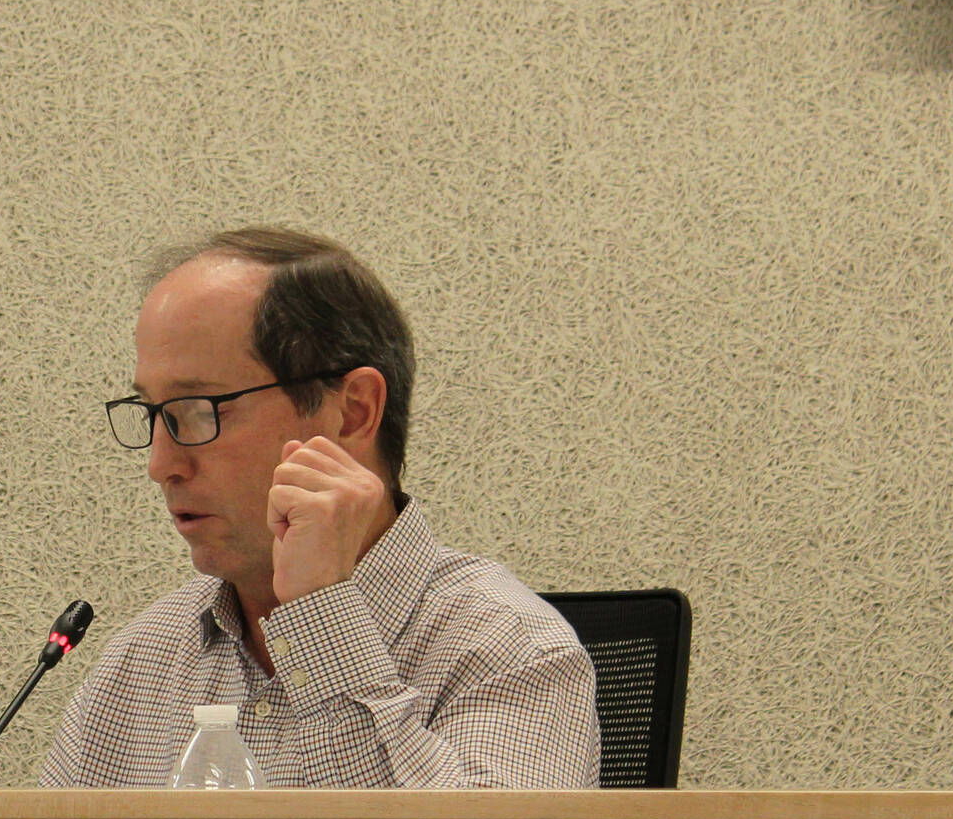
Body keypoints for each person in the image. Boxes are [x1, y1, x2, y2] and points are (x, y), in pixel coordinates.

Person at [40, 227, 600, 788]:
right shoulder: (141, 663)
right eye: (152, 412)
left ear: (353, 412)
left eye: (197, 409)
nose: (161, 464)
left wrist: (320, 611)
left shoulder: (513, 649)